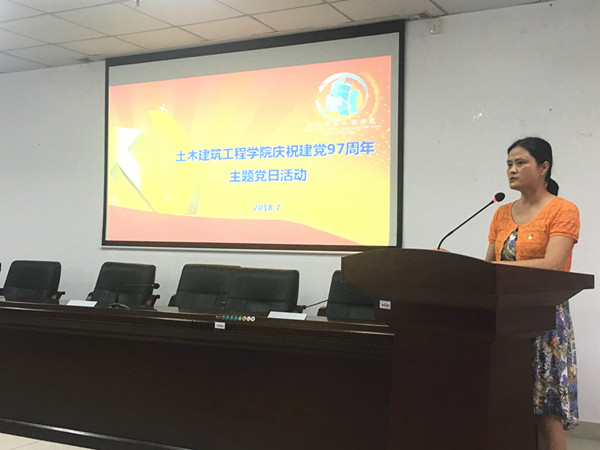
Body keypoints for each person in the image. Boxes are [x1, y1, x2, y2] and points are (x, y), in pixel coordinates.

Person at [485, 137, 579, 450]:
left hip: (544, 318)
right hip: (505, 320)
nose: (512, 170)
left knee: (545, 411)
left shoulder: (563, 210)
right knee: (510, 406)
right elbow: (487, 268)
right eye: (509, 164)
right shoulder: (501, 213)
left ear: (543, 167)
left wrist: (495, 267)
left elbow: (553, 265)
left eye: (520, 162)